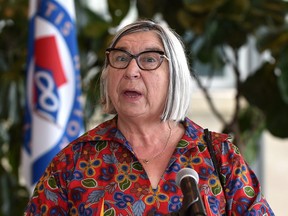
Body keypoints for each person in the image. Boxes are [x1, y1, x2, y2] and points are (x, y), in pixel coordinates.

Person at [24, 20, 274, 216]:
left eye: (149, 60)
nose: (131, 71)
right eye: (121, 58)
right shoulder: (72, 163)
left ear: (174, 75)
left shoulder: (220, 157)